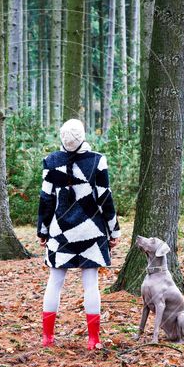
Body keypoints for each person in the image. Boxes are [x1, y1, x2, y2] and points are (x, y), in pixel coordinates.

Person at [36, 118, 121, 349]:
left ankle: (47, 337)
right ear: (83, 136)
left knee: (54, 282)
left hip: (60, 231)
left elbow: (46, 199)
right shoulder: (97, 161)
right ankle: (93, 340)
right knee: (90, 284)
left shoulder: (51, 161)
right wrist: (114, 230)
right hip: (92, 231)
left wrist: (42, 230)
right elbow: (105, 198)